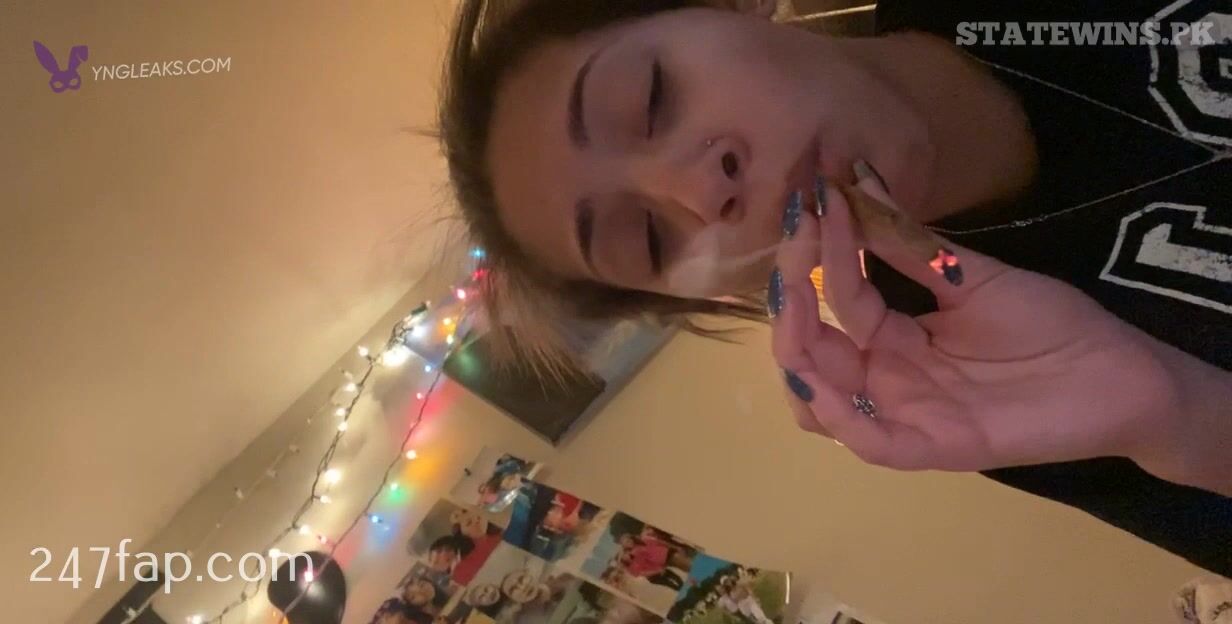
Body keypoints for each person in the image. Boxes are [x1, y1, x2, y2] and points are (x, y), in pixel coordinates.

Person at [436, 0, 1232, 575]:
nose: (699, 190)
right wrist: (1180, 412)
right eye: (644, 238)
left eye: (649, 97)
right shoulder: (965, 366)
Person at [450, 507, 505, 584]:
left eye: (478, 517)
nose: (477, 522)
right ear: (462, 534)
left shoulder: (502, 535)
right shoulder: (463, 566)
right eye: (469, 523)